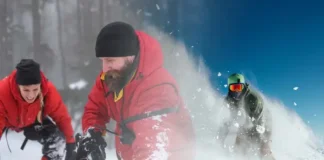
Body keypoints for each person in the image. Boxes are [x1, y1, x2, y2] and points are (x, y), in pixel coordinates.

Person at [76, 21, 195, 160]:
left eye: (110, 60)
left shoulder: (157, 87)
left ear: (130, 58)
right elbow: (94, 109)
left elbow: (151, 149)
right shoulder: (111, 77)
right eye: (102, 60)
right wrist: (93, 134)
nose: (105, 67)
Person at [0, 59, 76, 160]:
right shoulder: (3, 93)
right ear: (18, 86)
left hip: (33, 120)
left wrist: (70, 142)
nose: (31, 95)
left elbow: (62, 117)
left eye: (35, 89)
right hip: (8, 120)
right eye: (26, 90)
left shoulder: (48, 91)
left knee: (58, 142)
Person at [222, 73, 275, 159]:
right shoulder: (229, 100)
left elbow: (261, 118)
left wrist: (260, 132)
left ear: (243, 87)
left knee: (263, 149)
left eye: (239, 87)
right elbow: (229, 117)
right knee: (239, 146)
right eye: (233, 87)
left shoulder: (253, 99)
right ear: (229, 88)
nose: (237, 91)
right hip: (247, 123)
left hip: (263, 123)